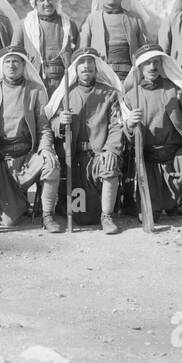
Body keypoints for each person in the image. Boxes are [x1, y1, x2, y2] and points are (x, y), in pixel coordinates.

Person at [121, 46, 182, 225]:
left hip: (177, 158)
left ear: (161, 65)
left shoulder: (175, 90)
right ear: (139, 67)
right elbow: (125, 140)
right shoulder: (129, 97)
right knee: (149, 217)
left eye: (156, 62)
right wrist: (129, 125)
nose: (152, 67)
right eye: (147, 63)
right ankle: (160, 202)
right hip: (149, 164)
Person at [0, 49, 61, 232]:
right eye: (8, 61)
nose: (12, 65)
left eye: (16, 61)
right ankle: (18, 202)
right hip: (2, 160)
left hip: (27, 157)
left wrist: (46, 149)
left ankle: (47, 215)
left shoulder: (35, 90)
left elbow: (44, 126)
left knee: (51, 163)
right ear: (2, 66)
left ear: (24, 65)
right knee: (9, 222)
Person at [48, 48, 126, 234]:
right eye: (82, 64)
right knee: (81, 216)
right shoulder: (65, 94)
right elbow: (50, 120)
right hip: (74, 160)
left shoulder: (109, 94)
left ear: (96, 68)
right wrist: (60, 121)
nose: (86, 68)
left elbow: (117, 125)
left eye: (90, 64)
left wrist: (111, 150)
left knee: (109, 166)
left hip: (99, 155)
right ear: (76, 69)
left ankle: (107, 217)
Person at [78, 0, 159, 81]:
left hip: (130, 77)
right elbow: (83, 51)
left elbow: (145, 51)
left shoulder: (135, 19)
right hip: (101, 77)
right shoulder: (91, 19)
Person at [21, 0, 80, 98]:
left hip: (64, 80)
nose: (46, 3)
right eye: (41, 0)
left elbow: (77, 53)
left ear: (56, 0)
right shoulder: (24, 26)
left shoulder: (69, 24)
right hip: (34, 79)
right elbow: (15, 55)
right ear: (35, 4)